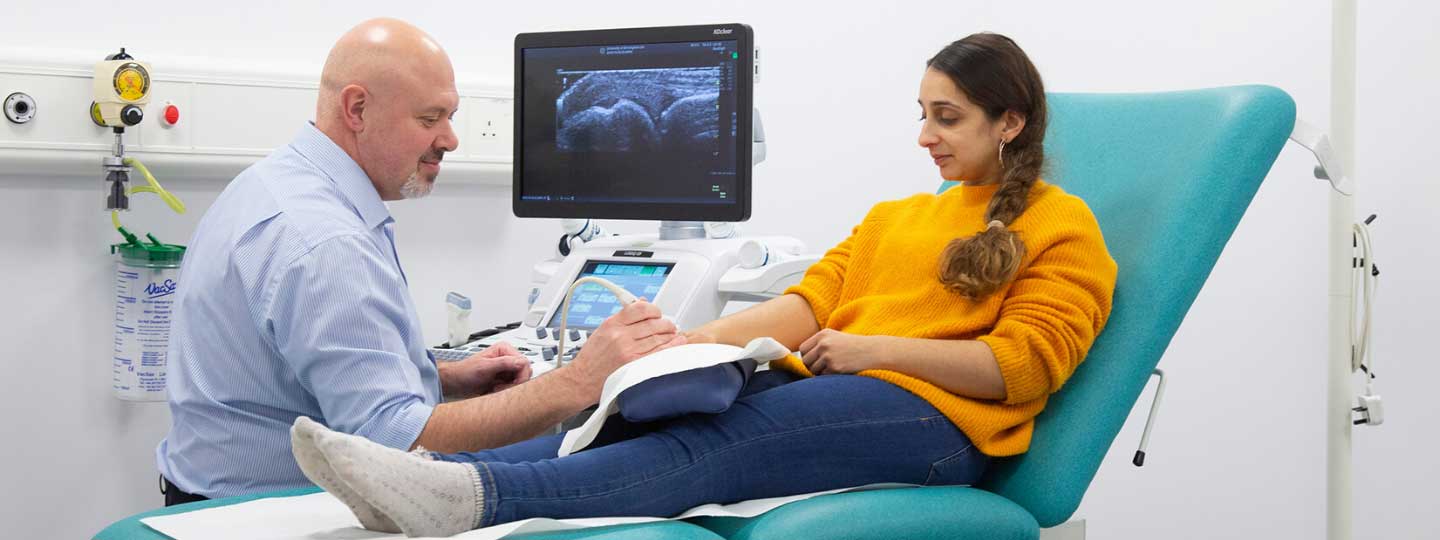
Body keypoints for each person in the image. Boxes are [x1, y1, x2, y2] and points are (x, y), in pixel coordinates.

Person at [292, 32, 1119, 537]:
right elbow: (805, 304)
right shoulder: (897, 216)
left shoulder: (1061, 226)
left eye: (948, 118)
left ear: (1009, 121)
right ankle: (424, 474)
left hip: (945, 428)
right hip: (844, 389)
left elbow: (1023, 367)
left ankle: (478, 497)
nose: (924, 136)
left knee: (719, 446)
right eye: (923, 112)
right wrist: (677, 350)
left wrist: (871, 348)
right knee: (635, 414)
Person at [155, 18, 683, 506]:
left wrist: (444, 376)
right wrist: (578, 381)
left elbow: (298, 365)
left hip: (201, 497)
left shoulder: (274, 186)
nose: (450, 139)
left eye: (450, 116)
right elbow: (398, 442)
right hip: (255, 521)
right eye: (430, 118)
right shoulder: (326, 241)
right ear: (356, 109)